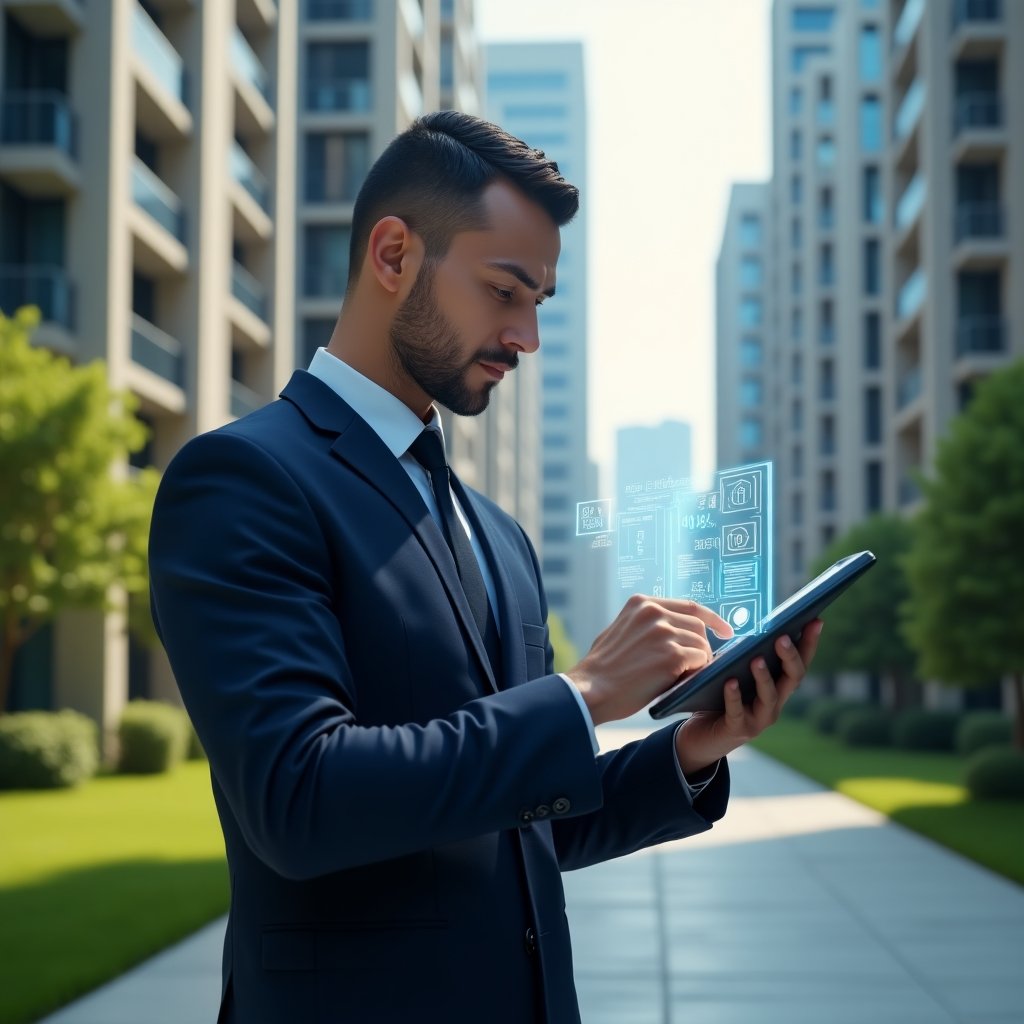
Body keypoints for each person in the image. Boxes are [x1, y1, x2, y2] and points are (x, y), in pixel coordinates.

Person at [148, 110, 821, 1024]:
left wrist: (692, 751)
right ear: (393, 255)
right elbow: (299, 797)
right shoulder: (245, 480)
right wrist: (582, 695)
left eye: (538, 303)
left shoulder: (497, 534)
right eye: (505, 291)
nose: (526, 336)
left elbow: (521, 823)